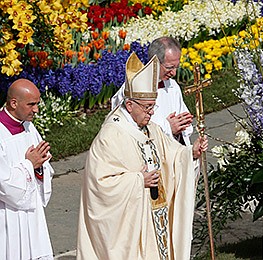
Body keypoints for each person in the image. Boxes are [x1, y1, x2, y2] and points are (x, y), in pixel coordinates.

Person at [77, 53, 208, 259]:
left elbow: (171, 154)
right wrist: (138, 181)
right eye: (147, 107)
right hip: (133, 224)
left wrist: (190, 153)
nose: (152, 113)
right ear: (129, 106)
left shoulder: (150, 127)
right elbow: (99, 184)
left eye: (153, 106)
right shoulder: (111, 136)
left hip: (156, 215)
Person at [0, 79, 54, 259]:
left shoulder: (29, 127)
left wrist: (40, 167)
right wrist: (30, 165)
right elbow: (3, 182)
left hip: (32, 212)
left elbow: (43, 167)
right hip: (7, 215)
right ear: (14, 103)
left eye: (38, 103)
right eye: (31, 104)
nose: (36, 109)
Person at [112, 36, 193, 146]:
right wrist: (168, 128)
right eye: (169, 67)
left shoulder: (172, 86)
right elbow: (127, 128)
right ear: (154, 62)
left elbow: (184, 125)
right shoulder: (132, 89)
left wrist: (183, 125)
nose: (174, 73)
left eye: (176, 67)